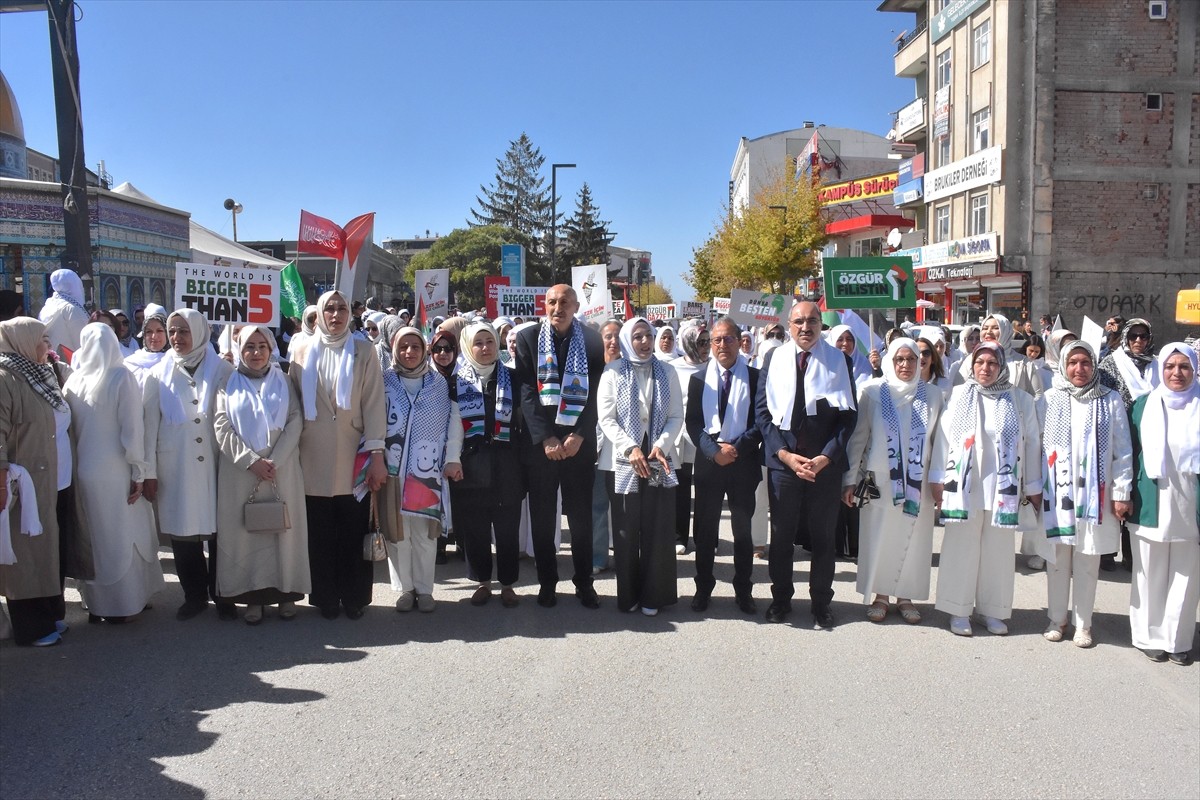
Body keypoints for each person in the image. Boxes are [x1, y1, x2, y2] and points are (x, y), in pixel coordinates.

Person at [755, 300, 858, 628]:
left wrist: (827, 457)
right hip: (784, 464)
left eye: (812, 320)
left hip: (823, 466)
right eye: (798, 321)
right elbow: (762, 414)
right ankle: (781, 599)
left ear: (820, 324)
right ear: (789, 324)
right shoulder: (774, 357)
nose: (805, 327)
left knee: (823, 538)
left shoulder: (838, 360)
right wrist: (784, 455)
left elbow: (848, 417)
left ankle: (821, 603)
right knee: (782, 537)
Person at [930, 342, 1043, 636]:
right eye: (980, 362)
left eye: (992, 363)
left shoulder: (1020, 400)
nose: (985, 368)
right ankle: (958, 609)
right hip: (963, 486)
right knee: (961, 548)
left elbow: (1032, 444)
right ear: (971, 364)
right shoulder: (957, 396)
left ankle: (991, 611)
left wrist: (1032, 485)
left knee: (999, 552)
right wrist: (937, 478)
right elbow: (943, 440)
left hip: (1002, 488)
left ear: (1002, 366)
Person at [289, 291, 387, 620]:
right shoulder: (300, 349)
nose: (335, 314)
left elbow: (374, 403)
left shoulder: (363, 350)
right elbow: (293, 401)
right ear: (318, 314)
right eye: (328, 309)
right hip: (312, 453)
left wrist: (376, 454)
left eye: (341, 308)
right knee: (319, 533)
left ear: (350, 314)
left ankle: (355, 597)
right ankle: (325, 597)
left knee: (352, 530)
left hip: (353, 454)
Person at [512, 284, 605, 609]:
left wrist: (579, 434)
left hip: (579, 444)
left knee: (580, 518)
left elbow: (596, 392)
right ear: (545, 304)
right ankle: (548, 583)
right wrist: (546, 438)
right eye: (552, 302)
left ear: (576, 306)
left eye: (564, 302)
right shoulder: (527, 339)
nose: (558, 308)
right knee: (542, 518)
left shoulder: (592, 340)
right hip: (543, 447)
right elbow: (525, 391)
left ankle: (584, 583)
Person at [65, 323, 164, 624]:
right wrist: (139, 470)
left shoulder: (74, 381)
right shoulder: (122, 377)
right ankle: (126, 603)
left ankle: (97, 604)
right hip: (118, 469)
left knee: (97, 537)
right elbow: (132, 430)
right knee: (125, 535)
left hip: (85, 472)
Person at [212, 326, 310, 625]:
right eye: (248, 347)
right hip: (241, 472)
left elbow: (296, 420)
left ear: (271, 349)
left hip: (281, 470)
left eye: (261, 346)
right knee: (247, 536)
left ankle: (285, 595)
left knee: (282, 532)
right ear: (239, 350)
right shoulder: (227, 381)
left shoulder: (283, 379)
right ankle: (251, 597)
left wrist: (274, 460)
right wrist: (251, 461)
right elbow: (221, 425)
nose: (255, 353)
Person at [843, 338, 944, 624]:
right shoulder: (873, 393)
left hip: (918, 484)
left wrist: (939, 483)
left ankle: (906, 597)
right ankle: (881, 596)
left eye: (911, 359)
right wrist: (850, 480)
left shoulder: (933, 396)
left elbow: (939, 444)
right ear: (890, 361)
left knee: (914, 539)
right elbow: (858, 440)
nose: (905, 365)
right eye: (899, 359)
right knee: (880, 538)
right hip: (880, 483)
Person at [143, 309, 236, 621]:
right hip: (176, 465)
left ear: (199, 332)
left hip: (215, 462)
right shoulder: (158, 372)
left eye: (184, 331)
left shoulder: (222, 370)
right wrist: (149, 473)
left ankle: (223, 593)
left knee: (219, 534)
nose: (176, 338)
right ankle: (194, 595)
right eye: (173, 331)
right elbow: (149, 426)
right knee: (183, 536)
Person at [1039, 340, 1132, 648]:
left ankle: (1083, 624)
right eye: (1073, 363)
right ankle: (1057, 619)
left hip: (1096, 496)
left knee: (1088, 560)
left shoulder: (1110, 399)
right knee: (1057, 559)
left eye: (1086, 363)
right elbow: (1037, 447)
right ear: (1064, 365)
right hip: (1058, 493)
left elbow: (1122, 450)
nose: (1079, 369)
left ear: (1094, 366)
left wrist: (1122, 491)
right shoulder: (1050, 399)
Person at [0, 318, 78, 646]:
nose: (47, 346)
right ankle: (30, 627)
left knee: (50, 549)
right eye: (42, 340)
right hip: (25, 483)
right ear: (23, 341)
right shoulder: (6, 378)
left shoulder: (44, 372)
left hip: (56, 480)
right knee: (27, 554)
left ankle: (49, 614)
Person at [598, 317, 683, 615]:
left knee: (657, 530)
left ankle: (652, 595)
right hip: (622, 461)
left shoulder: (668, 371)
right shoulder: (612, 372)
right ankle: (629, 595)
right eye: (637, 337)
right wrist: (630, 447)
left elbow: (675, 416)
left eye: (648, 335)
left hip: (658, 458)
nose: (645, 342)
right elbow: (606, 418)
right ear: (626, 339)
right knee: (625, 530)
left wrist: (661, 445)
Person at [1127, 343, 1199, 665]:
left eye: (1184, 367)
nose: (1177, 373)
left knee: (1186, 574)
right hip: (1151, 498)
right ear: (1161, 370)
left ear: (1194, 369)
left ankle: (1177, 640)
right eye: (1170, 366)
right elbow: (1128, 454)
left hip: (1189, 500)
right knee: (1149, 570)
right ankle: (1148, 636)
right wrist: (1122, 495)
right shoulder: (1143, 406)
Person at [380, 328, 460, 613]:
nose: (410, 352)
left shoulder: (439, 383)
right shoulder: (383, 381)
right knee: (397, 534)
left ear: (424, 349)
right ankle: (404, 589)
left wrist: (453, 457)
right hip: (392, 470)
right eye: (403, 347)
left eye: (415, 346)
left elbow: (454, 422)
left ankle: (425, 590)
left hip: (426, 473)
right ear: (394, 348)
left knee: (426, 535)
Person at [685, 317, 761, 615]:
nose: (721, 345)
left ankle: (744, 590)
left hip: (743, 462)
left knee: (742, 533)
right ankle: (703, 588)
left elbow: (760, 421)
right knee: (705, 533)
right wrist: (713, 451)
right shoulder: (699, 379)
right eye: (716, 340)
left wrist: (737, 448)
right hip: (709, 463)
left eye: (728, 339)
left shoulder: (755, 378)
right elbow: (693, 423)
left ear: (740, 341)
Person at [448, 321, 521, 607]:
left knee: (506, 529)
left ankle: (508, 584)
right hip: (473, 464)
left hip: (507, 465)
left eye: (489, 341)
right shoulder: (459, 382)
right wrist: (453, 459)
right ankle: (482, 582)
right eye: (478, 343)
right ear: (467, 346)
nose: (485, 348)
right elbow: (455, 425)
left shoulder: (512, 378)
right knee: (476, 528)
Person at [1098, 318, 1157, 571]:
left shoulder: (1158, 366)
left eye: (1143, 336)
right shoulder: (1110, 364)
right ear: (1124, 337)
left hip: (1149, 440)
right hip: (1117, 437)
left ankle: (1132, 553)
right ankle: (1108, 552)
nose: (1138, 341)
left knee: (1138, 494)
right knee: (1116, 490)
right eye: (1133, 336)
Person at [670, 322, 710, 555]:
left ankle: (706, 537)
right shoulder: (671, 368)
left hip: (706, 438)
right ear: (687, 343)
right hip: (680, 438)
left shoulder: (714, 367)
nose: (705, 347)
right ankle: (679, 537)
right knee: (681, 490)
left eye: (708, 342)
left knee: (706, 489)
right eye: (700, 342)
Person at [38, 268, 89, 363]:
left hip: (53, 361)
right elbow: (83, 341)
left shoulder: (48, 306)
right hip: (71, 363)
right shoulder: (71, 308)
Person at [125, 303, 170, 389]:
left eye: (159, 330)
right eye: (149, 332)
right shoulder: (131, 364)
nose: (154, 336)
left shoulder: (175, 362)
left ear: (167, 332)